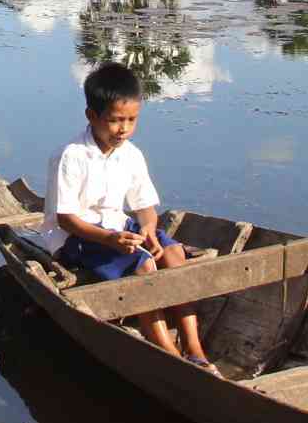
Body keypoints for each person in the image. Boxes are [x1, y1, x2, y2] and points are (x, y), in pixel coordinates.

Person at [42, 60, 216, 370]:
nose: (123, 129)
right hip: (77, 236)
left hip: (116, 226)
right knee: (144, 265)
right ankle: (170, 354)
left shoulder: (131, 154)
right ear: (92, 116)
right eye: (115, 120)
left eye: (131, 120)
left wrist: (149, 229)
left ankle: (194, 345)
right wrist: (110, 239)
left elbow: (145, 208)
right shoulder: (72, 155)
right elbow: (66, 219)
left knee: (174, 254)